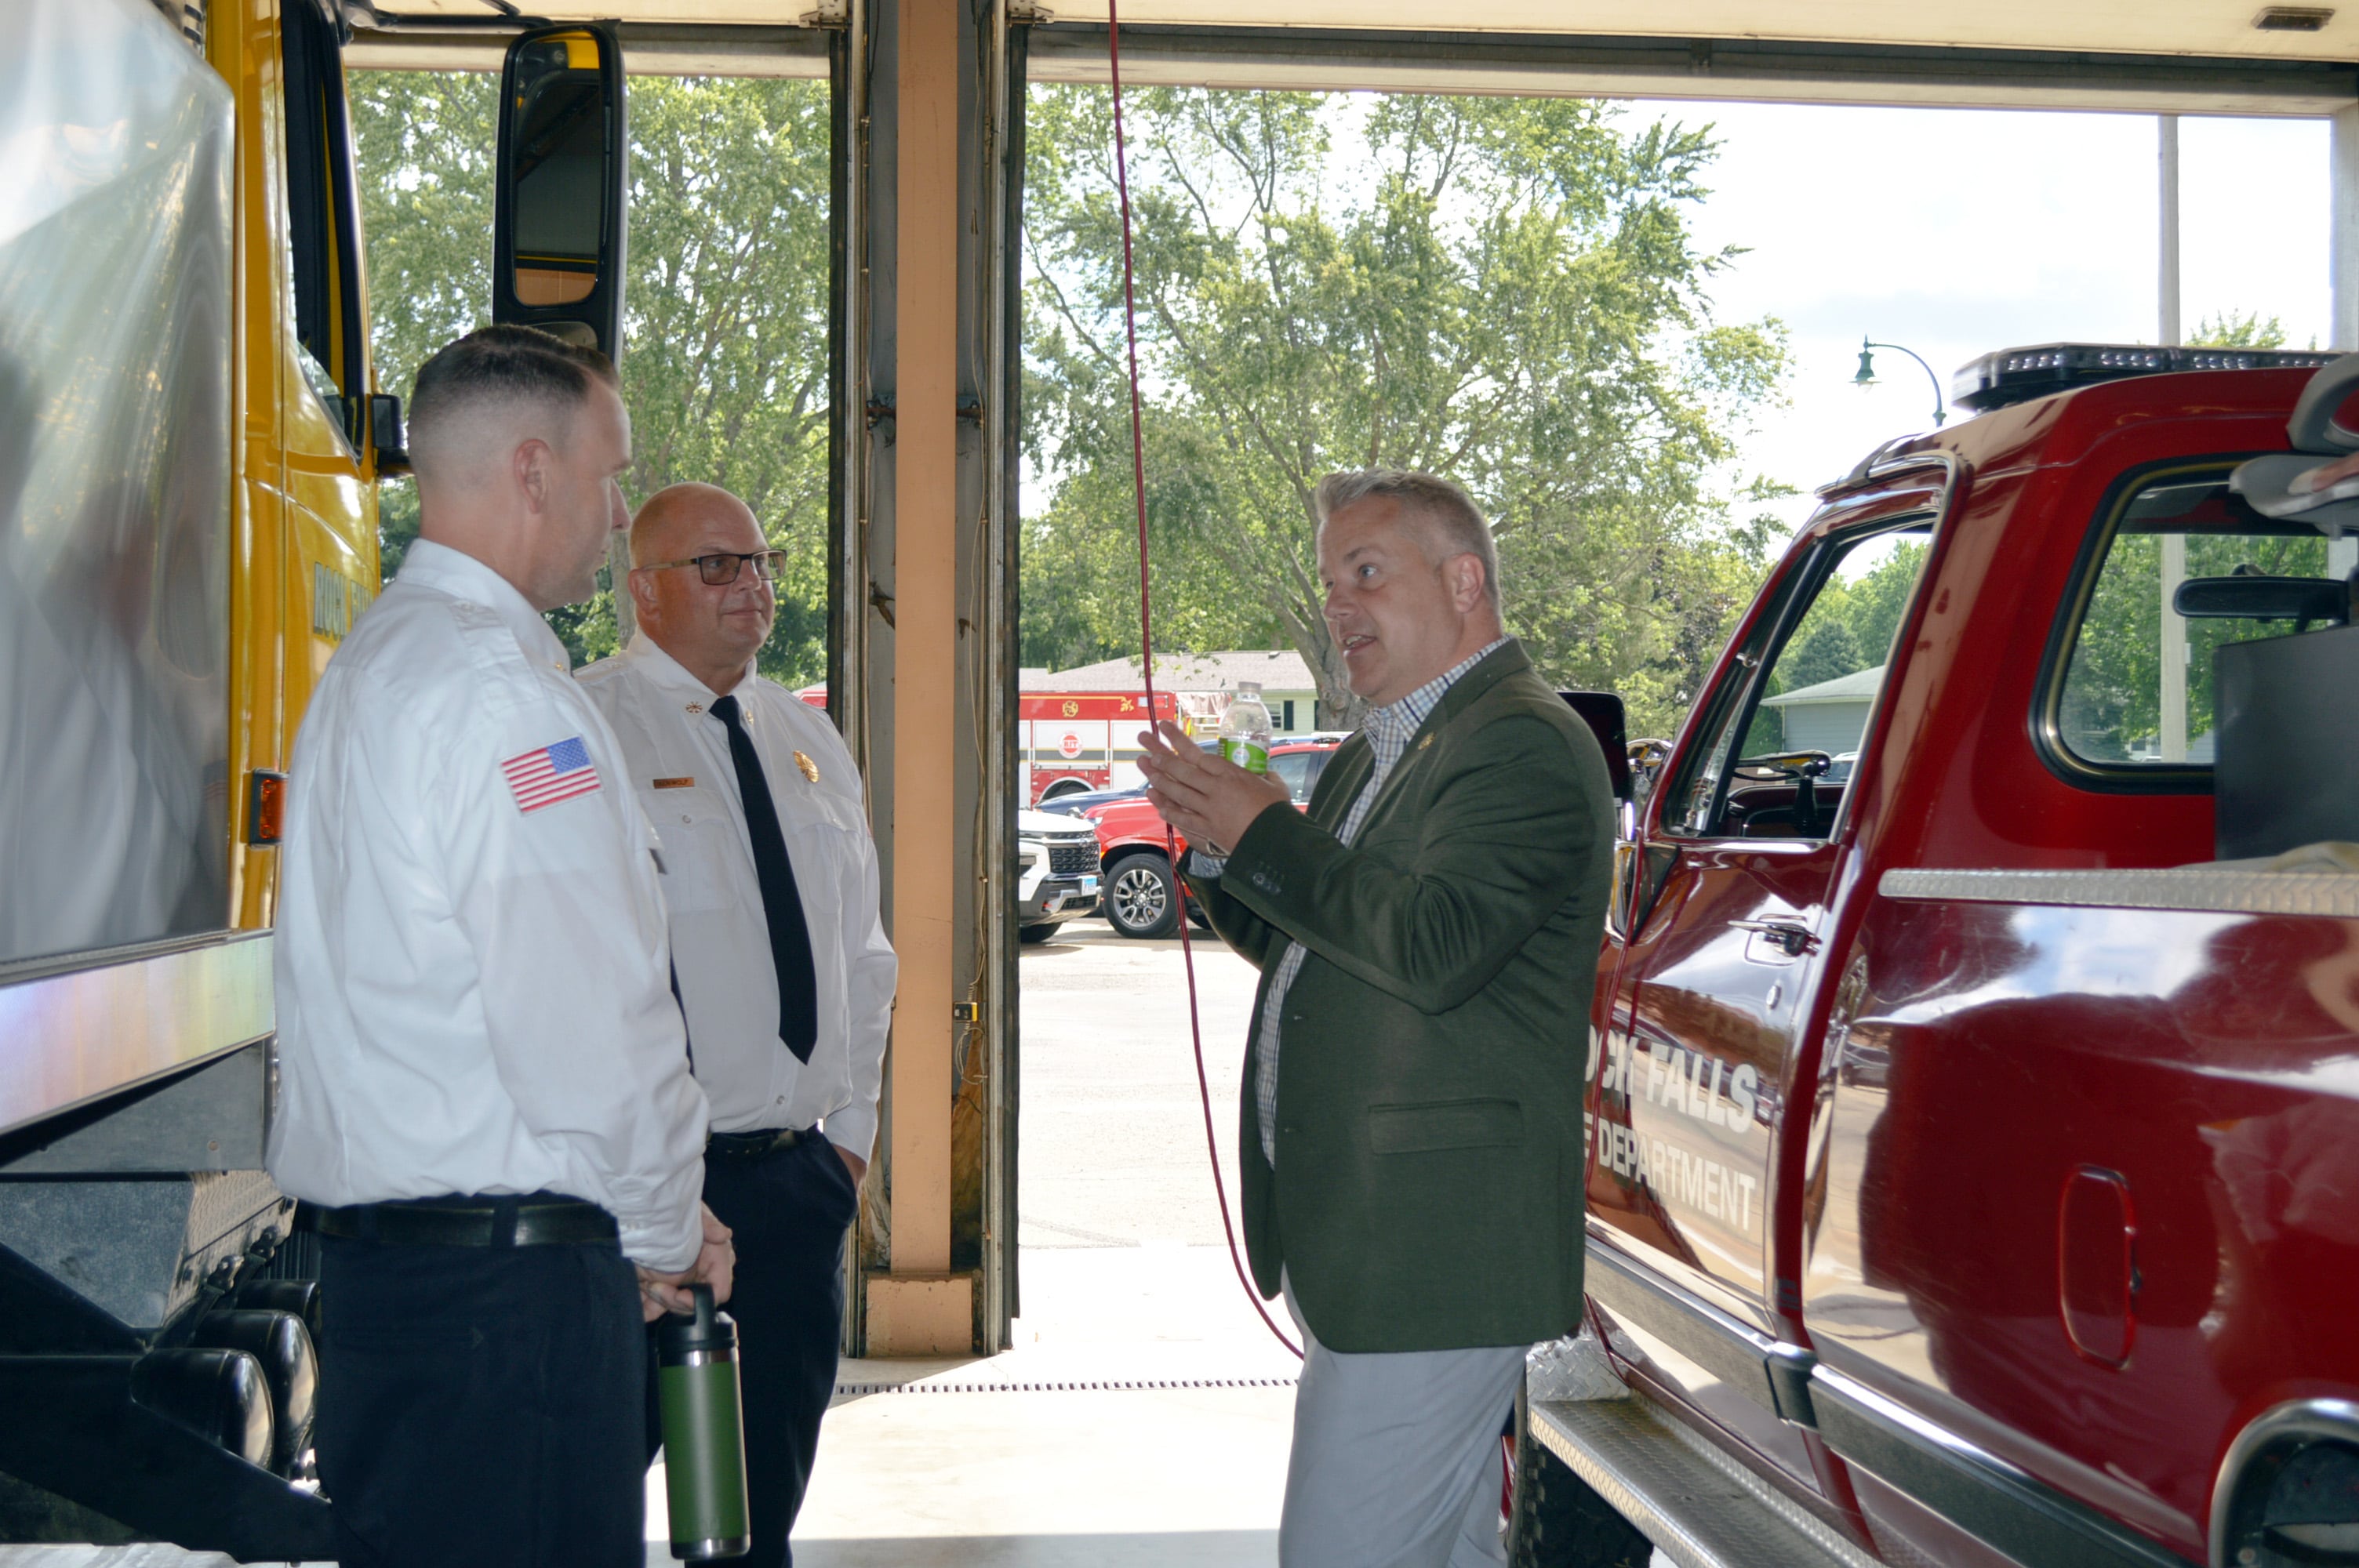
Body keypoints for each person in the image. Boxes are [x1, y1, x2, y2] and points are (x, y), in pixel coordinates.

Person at [267, 325, 734, 1568]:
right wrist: (668, 1230)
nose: (615, 509)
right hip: (505, 1311)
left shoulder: (378, 664)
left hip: (401, 1299)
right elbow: (590, 1032)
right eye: (608, 474)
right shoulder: (502, 699)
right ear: (534, 470)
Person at [1139, 469, 1613, 1568]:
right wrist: (1223, 845)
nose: (1337, 606)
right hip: (1365, 1238)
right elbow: (1317, 951)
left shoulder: (1522, 743)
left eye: (1366, 573)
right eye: (1328, 581)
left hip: (1435, 1255)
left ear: (1464, 581)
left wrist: (1267, 833)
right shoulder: (1373, 750)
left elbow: (1436, 947)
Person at [577, 481, 896, 1568]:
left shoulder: (808, 738)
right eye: (716, 566)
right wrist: (645, 1185)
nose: (749, 586)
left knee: (757, 1523)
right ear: (644, 592)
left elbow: (864, 953)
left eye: (759, 562)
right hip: (646, 1196)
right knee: (580, 1505)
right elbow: (580, 980)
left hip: (793, 1189)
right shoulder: (591, 727)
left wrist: (849, 1137)